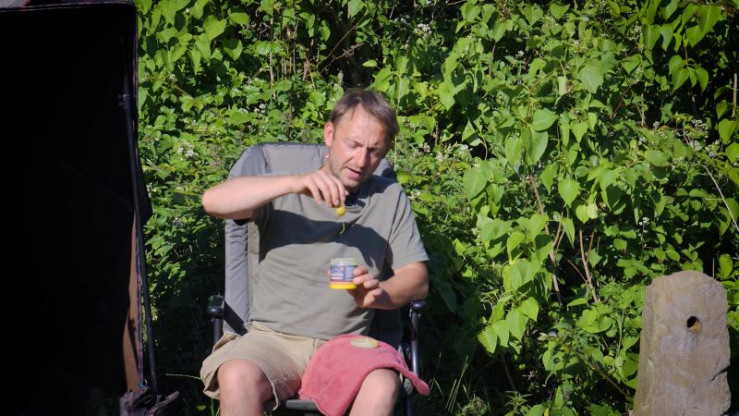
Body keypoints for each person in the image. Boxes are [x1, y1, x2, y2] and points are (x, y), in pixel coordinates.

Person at [199, 89, 429, 416]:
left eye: (374, 151)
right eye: (353, 145)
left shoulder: (388, 197)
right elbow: (213, 202)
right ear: (329, 134)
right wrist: (295, 183)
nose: (361, 161)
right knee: (236, 375)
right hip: (273, 342)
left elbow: (417, 279)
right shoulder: (280, 188)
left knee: (382, 384)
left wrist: (379, 293)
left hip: (347, 346)